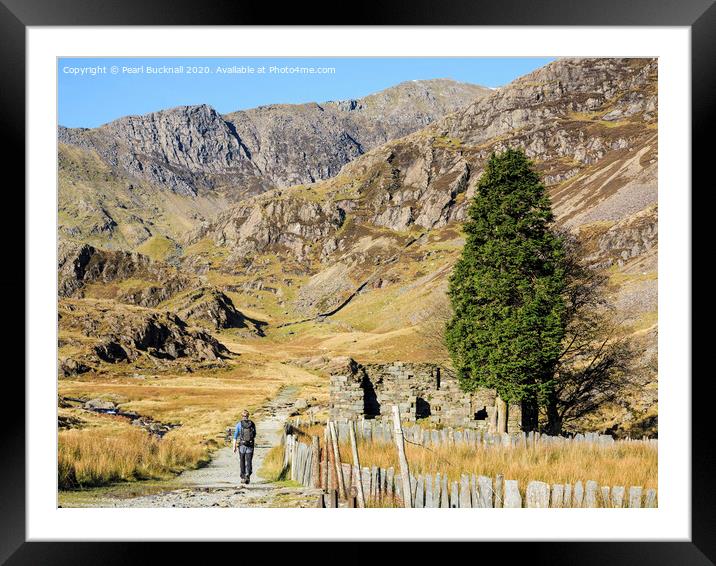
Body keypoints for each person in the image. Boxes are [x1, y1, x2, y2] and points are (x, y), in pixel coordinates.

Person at [232, 410, 257, 484]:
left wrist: (234, 447)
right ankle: (248, 475)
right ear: (248, 416)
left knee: (242, 461)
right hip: (250, 445)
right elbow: (254, 435)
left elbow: (235, 436)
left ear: (242, 416)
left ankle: (243, 477)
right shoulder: (252, 424)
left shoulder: (239, 424)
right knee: (249, 461)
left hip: (242, 445)